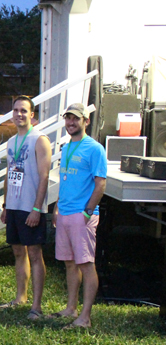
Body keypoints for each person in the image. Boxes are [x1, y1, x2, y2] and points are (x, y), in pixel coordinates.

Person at [51, 103, 106, 329]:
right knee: (70, 263)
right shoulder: (67, 147)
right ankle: (71, 308)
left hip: (81, 215)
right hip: (64, 213)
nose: (71, 123)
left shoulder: (94, 149)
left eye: (76, 119)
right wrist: (56, 207)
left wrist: (88, 211)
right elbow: (65, 182)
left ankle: (85, 317)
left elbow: (100, 184)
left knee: (86, 264)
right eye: (68, 118)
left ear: (86, 121)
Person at [0, 96, 51, 319]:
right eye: (16, 110)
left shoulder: (39, 140)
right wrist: (5, 205)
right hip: (14, 206)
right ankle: (21, 297)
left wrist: (37, 209)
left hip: (31, 207)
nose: (19, 114)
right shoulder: (11, 142)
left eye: (24, 111)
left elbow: (44, 176)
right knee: (18, 252)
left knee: (35, 254)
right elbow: (10, 175)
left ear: (32, 115)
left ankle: (36, 307)